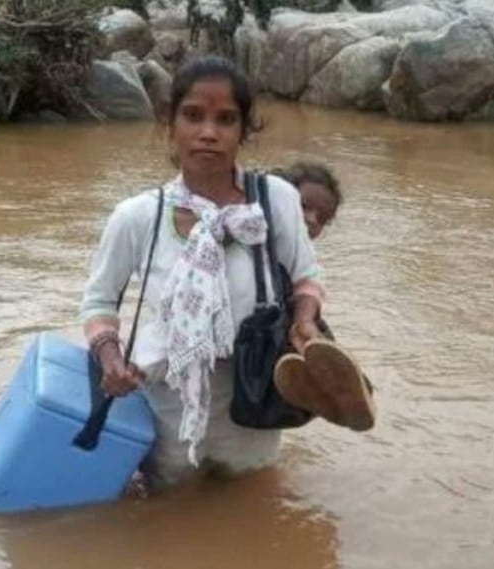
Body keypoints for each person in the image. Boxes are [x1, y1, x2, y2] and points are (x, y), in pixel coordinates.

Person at [79, 56, 372, 490]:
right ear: (170, 124)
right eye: (193, 115)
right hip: (167, 400)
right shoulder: (137, 216)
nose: (209, 132)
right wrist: (110, 359)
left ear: (244, 131)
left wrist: (305, 322)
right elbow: (99, 302)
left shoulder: (276, 200)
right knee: (168, 504)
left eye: (226, 119)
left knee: (253, 499)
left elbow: (306, 277)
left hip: (254, 397)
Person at [270, 162, 376, 432]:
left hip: (284, 326)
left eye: (322, 218)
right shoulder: (249, 224)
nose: (311, 220)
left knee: (315, 341)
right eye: (304, 206)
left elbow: (311, 282)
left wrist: (305, 321)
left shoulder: (304, 256)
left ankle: (339, 394)